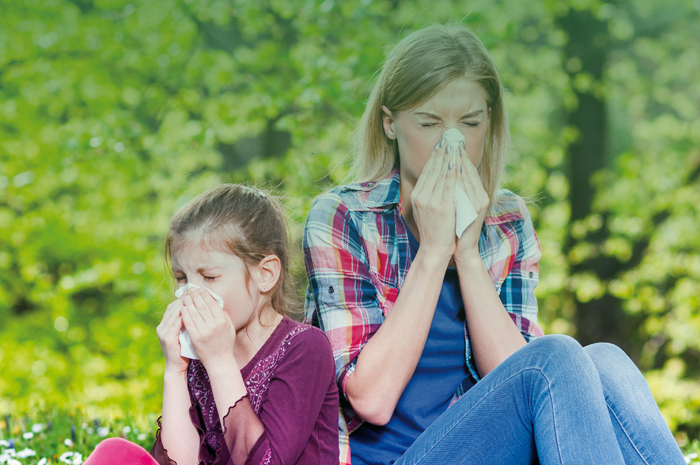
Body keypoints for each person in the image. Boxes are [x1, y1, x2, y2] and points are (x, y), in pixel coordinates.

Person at [302, 23, 685, 465]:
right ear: (390, 124)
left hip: (486, 446)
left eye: (470, 122)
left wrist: (466, 252)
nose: (453, 143)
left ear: (490, 121)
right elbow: (371, 399)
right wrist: (431, 251)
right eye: (428, 123)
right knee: (558, 353)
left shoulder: (506, 219)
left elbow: (521, 378)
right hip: (393, 458)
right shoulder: (343, 216)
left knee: (606, 361)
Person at [85, 184, 339, 465]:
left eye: (209, 277)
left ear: (265, 275)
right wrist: (176, 368)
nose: (190, 292)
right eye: (182, 278)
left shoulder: (305, 347)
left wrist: (219, 361)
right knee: (115, 453)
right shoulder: (199, 353)